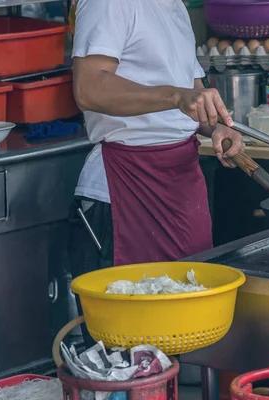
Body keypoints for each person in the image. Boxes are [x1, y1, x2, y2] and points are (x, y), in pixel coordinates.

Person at [67, 0, 244, 332]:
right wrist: (174, 97)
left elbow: (190, 91)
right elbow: (89, 88)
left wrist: (216, 126)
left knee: (187, 322)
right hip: (127, 183)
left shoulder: (171, 4)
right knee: (127, 339)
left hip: (182, 181)